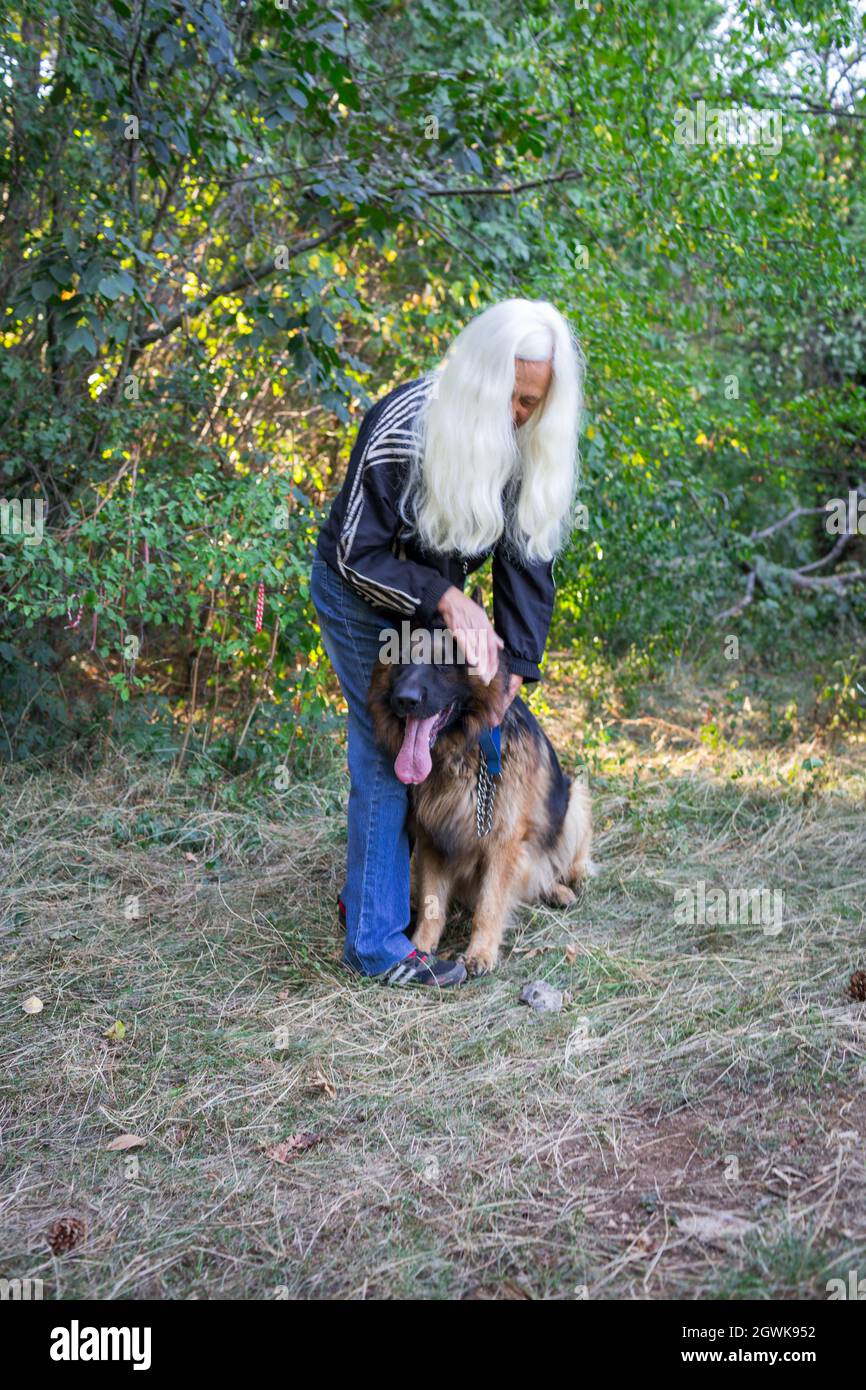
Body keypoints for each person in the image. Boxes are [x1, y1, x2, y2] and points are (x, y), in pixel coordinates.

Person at [311, 297, 584, 986]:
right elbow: (355, 551)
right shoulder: (403, 427)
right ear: (480, 382)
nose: (521, 415)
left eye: (534, 404)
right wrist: (445, 597)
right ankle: (377, 943)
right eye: (512, 399)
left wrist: (515, 662)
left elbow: (525, 559)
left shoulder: (523, 441)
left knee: (440, 745)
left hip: (435, 608)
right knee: (391, 744)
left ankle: (391, 889)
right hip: (360, 594)